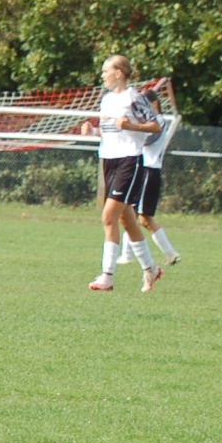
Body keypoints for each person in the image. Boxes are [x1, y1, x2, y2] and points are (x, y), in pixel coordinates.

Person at [79, 54, 163, 292]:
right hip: (109, 160)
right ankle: (150, 268)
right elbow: (109, 131)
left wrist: (130, 125)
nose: (102, 75)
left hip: (129, 160)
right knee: (126, 219)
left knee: (108, 216)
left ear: (118, 73)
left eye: (106, 71)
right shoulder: (106, 99)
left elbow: (155, 125)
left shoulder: (133, 97)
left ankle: (107, 275)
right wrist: (92, 131)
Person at [129, 85, 182, 267]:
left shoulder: (158, 121)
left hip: (149, 171)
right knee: (131, 214)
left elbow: (146, 140)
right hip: (143, 170)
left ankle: (169, 252)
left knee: (141, 217)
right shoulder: (149, 121)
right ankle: (128, 256)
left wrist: (129, 130)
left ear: (154, 104)